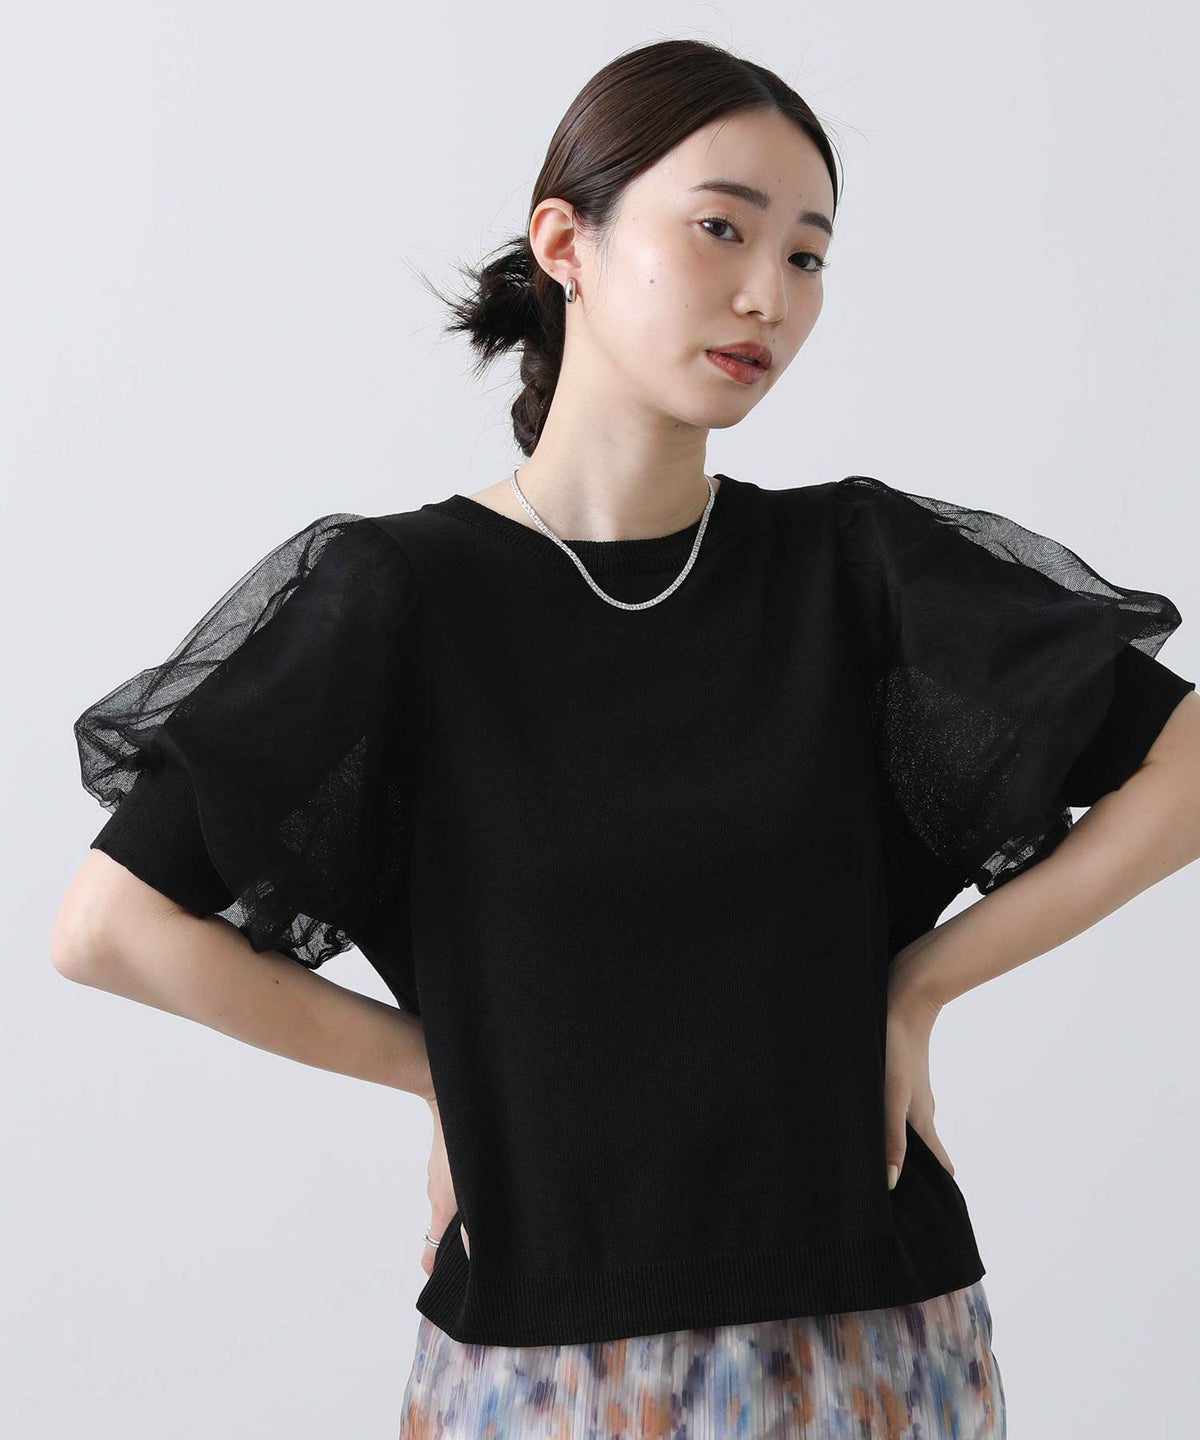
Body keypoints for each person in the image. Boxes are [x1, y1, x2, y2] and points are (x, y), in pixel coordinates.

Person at [52, 37, 1200, 1440]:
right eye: (722, 228)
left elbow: (1188, 763)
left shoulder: (854, 572)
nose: (769, 294)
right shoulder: (403, 600)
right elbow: (109, 928)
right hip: (542, 1363)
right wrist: (445, 1070)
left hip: (871, 1347)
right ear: (566, 243)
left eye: (808, 256)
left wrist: (919, 986)